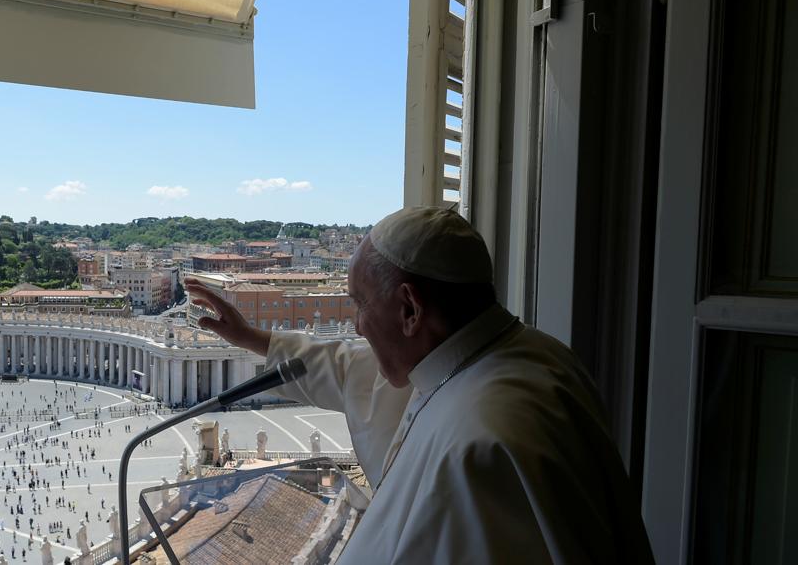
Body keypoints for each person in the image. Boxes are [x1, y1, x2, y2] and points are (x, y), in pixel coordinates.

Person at [185, 206, 653, 564]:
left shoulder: (485, 443)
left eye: (360, 305)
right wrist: (249, 336)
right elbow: (350, 366)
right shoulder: (522, 356)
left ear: (410, 309)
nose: (358, 326)